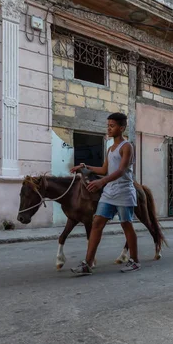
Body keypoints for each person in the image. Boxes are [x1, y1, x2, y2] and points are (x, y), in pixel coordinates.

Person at [69, 113, 140, 275]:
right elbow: (104, 169)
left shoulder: (126, 147)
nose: (109, 128)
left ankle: (135, 260)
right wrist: (85, 166)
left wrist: (101, 182)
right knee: (96, 223)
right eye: (108, 125)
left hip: (123, 192)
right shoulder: (110, 148)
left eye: (112, 125)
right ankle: (87, 263)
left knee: (126, 225)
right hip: (109, 193)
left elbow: (121, 170)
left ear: (121, 128)